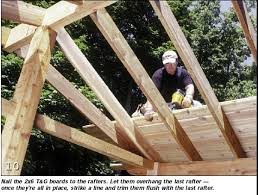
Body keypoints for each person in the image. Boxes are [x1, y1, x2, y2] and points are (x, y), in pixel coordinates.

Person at [132, 50, 201, 118]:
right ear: (164, 64)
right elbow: (152, 94)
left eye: (172, 62)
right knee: (145, 112)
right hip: (163, 106)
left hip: (181, 103)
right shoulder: (158, 75)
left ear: (176, 61)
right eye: (167, 63)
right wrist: (149, 109)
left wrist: (188, 97)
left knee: (198, 105)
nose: (170, 66)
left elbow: (190, 86)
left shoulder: (183, 73)